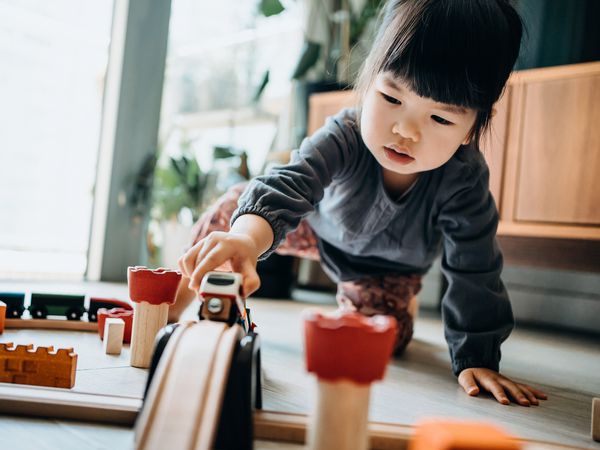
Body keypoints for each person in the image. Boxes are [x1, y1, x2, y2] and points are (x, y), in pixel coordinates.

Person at [176, 0, 548, 406]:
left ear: (472, 128)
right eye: (391, 98)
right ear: (368, 79)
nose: (405, 130)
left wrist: (478, 357)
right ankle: (173, 297)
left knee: (382, 338)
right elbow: (290, 182)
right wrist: (247, 239)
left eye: (440, 119)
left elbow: (475, 266)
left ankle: (392, 300)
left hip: (383, 268)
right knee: (233, 213)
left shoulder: (464, 179)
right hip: (315, 228)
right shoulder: (345, 134)